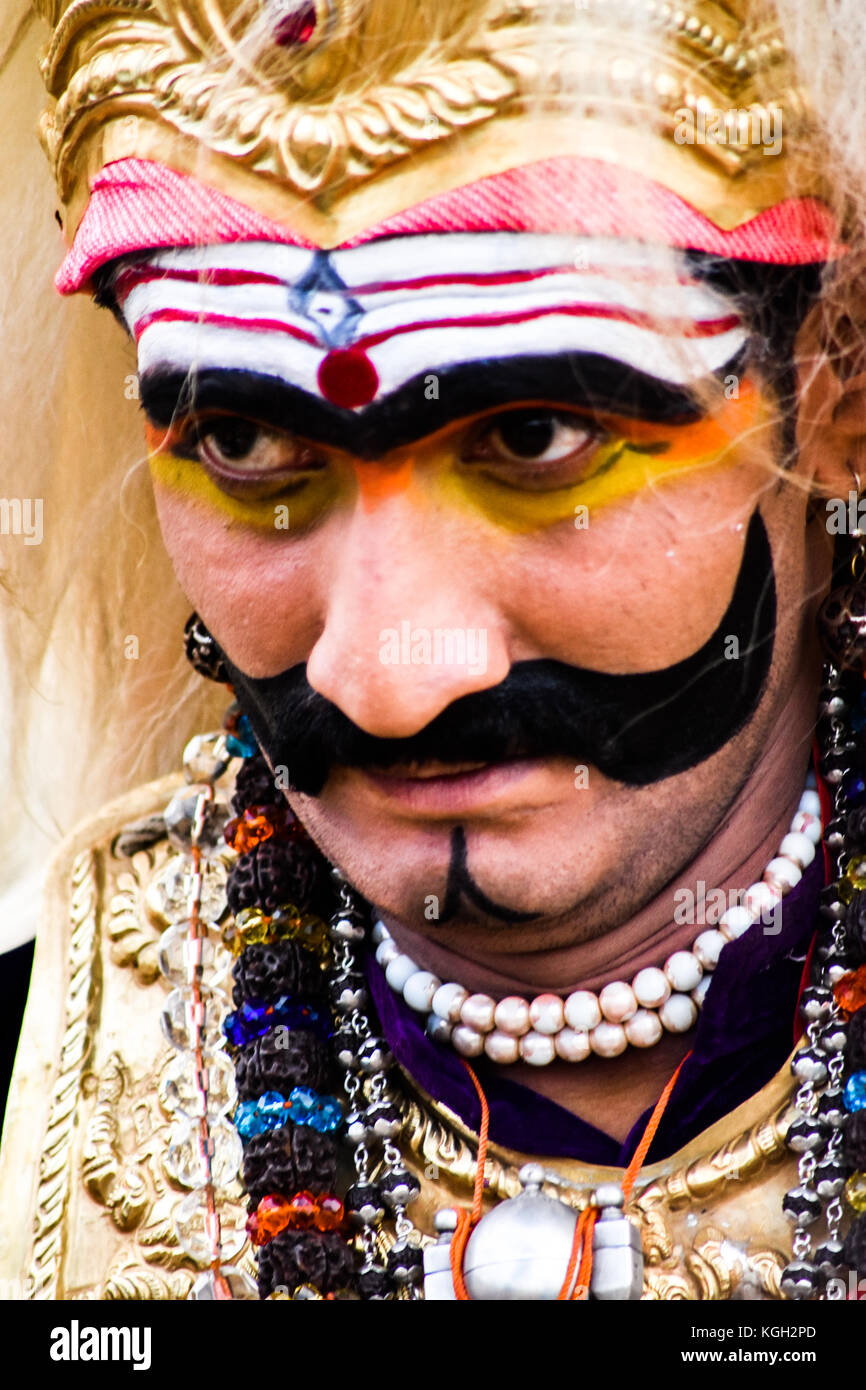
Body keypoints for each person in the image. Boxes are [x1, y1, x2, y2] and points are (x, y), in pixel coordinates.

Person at [1, 0, 866, 1301]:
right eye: (241, 445)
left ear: (833, 400)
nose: (384, 677)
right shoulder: (38, 1052)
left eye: (533, 440)